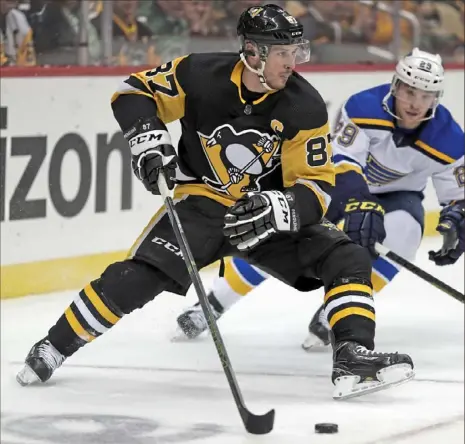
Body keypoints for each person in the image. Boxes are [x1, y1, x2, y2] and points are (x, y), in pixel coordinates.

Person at [16, 4, 414, 400]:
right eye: (282, 54)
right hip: (201, 203)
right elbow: (133, 92)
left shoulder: (303, 105)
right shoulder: (199, 75)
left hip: (264, 212)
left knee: (347, 258)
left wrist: (284, 206)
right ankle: (52, 347)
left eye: (297, 52)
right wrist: (147, 136)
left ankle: (351, 356)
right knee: (134, 280)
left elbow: (317, 186)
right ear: (253, 52)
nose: (292, 63)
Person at [175, 47, 465, 351]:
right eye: (409, 91)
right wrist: (358, 200)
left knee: (406, 234)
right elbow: (342, 162)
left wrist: (455, 222)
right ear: (396, 86)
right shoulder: (363, 106)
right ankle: (214, 302)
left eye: (425, 95)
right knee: (291, 230)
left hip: (398, 196)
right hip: (341, 183)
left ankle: (333, 313)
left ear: (436, 98)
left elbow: (457, 197)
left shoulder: (450, 139)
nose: (415, 103)